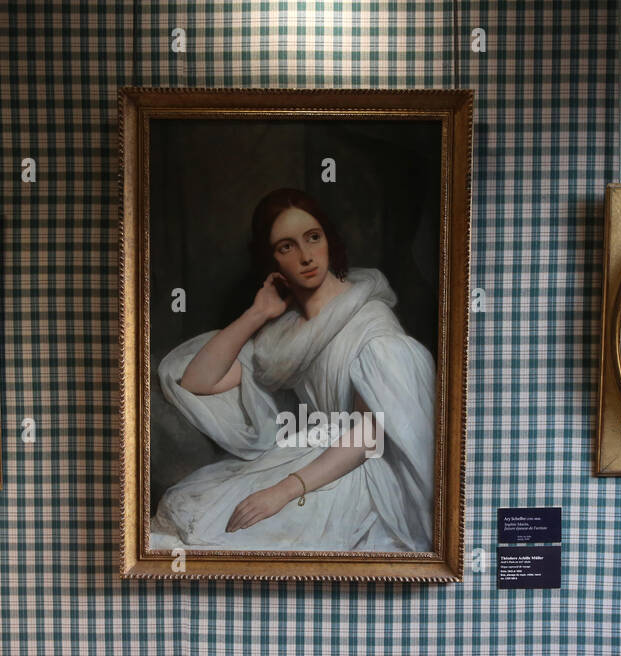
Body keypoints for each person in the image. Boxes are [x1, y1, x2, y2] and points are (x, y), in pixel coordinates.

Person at [150, 187, 435, 551]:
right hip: (309, 454)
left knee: (231, 538)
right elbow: (198, 381)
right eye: (286, 247)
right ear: (272, 262)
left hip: (360, 472)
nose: (305, 256)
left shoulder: (370, 322)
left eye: (313, 238)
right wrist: (256, 315)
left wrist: (284, 490)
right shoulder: (283, 336)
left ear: (328, 240)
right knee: (189, 511)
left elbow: (370, 435)